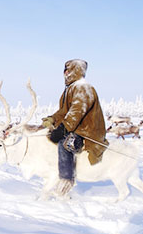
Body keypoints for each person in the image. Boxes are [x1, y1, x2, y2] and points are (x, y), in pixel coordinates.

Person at [42, 59, 108, 195]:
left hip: (87, 130)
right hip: (77, 126)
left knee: (65, 143)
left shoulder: (84, 88)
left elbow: (77, 112)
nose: (65, 73)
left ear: (75, 71)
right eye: (64, 70)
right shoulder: (71, 88)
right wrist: (52, 119)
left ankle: (66, 180)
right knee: (49, 137)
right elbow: (64, 111)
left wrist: (63, 129)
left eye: (68, 70)